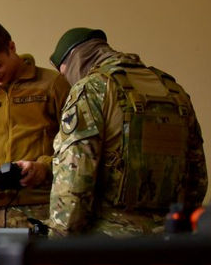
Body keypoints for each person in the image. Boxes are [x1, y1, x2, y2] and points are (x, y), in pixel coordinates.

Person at [46, 28, 207, 236]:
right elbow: (197, 174)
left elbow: (75, 176)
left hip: (112, 239)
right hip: (172, 238)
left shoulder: (91, 89)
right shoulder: (174, 91)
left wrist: (59, 238)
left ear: (76, 60)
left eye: (64, 73)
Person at [0, 19, 71, 228]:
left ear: (11, 47)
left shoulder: (53, 85)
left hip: (42, 207)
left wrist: (44, 166)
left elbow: (75, 148)